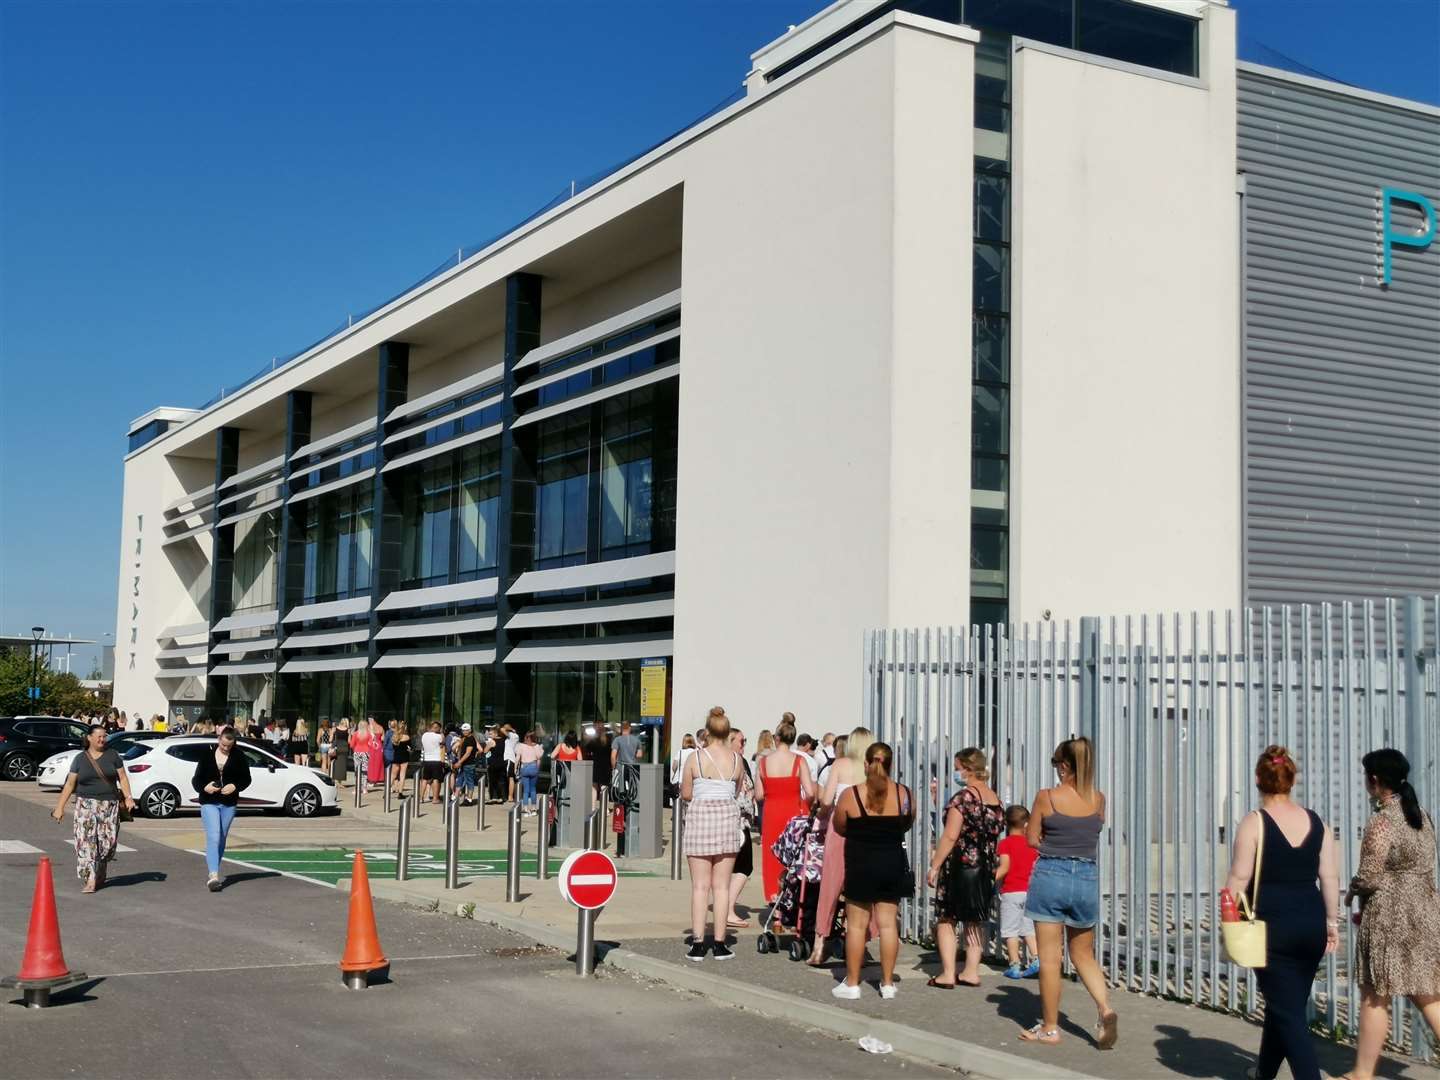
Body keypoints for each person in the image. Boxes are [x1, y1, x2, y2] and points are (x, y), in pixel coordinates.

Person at [1222, 745, 1337, 1080]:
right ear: (1292, 779)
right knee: (1284, 1006)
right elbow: (1329, 877)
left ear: (1258, 779)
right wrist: (1332, 923)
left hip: (1272, 929)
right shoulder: (1318, 823)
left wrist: (1229, 919)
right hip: (1312, 924)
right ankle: (1264, 1073)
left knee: (1288, 1014)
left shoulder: (1254, 823)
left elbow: (1239, 878)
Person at [1338, 748, 1440, 1080]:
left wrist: (1352, 890)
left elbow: (1370, 875)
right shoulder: (1422, 815)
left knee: (1374, 995)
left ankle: (1361, 1074)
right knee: (1428, 995)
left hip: (1390, 916)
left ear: (1375, 780)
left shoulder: (1382, 821)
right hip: (1424, 911)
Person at [1020, 736, 1118, 1049]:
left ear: (1064, 766)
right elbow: (1094, 830)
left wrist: (1044, 836)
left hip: (1051, 874)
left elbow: (1032, 839)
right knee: (1083, 954)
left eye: (1057, 766)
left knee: (1050, 958)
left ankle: (1050, 1029)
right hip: (1086, 876)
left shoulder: (1046, 797)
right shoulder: (1099, 800)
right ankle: (1105, 1008)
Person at [830, 742, 912, 999]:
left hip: (860, 862)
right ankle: (887, 983)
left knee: (856, 925)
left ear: (866, 765)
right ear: (890, 765)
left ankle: (853, 983)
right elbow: (906, 823)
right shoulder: (904, 794)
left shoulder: (851, 796)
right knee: (888, 925)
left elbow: (840, 826)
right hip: (891, 862)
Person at [926, 747, 1004, 988]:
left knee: (947, 919)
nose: (955, 773)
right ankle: (971, 971)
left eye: (957, 768)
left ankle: (948, 973)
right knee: (974, 919)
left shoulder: (963, 798)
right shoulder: (995, 799)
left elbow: (950, 836)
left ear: (968, 769)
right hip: (984, 866)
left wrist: (935, 865)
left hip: (959, 865)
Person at [808, 725, 873, 968]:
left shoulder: (840, 765)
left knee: (831, 887)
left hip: (840, 828)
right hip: (866, 832)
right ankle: (859, 944)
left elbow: (826, 800)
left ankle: (819, 944)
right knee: (861, 890)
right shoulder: (872, 769)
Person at [681, 707, 743, 961]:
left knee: (699, 886)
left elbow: (686, 793)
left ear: (707, 732)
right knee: (721, 886)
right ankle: (719, 943)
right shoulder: (737, 760)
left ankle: (697, 943)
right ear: (728, 733)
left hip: (700, 821)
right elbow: (737, 791)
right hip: (727, 821)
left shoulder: (695, 758)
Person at [50, 724, 136, 892]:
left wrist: (128, 797)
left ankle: (101, 866)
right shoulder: (80, 759)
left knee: (107, 844)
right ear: (89, 738)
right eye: (98, 736)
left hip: (109, 805)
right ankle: (90, 879)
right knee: (86, 842)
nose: (102, 739)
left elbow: (123, 778)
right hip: (85, 805)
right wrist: (59, 807)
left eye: (104, 736)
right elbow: (69, 784)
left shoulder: (113, 756)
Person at [755, 715, 816, 905]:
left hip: (772, 811)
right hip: (794, 812)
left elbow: (758, 795)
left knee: (773, 856)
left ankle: (775, 896)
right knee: (795, 855)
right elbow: (810, 791)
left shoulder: (764, 762)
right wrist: (805, 805)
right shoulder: (799, 761)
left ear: (777, 738)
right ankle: (794, 897)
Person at [190, 726, 253, 891]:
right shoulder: (207, 754)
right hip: (209, 801)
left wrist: (235, 786)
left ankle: (214, 869)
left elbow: (246, 779)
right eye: (223, 745)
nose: (225, 748)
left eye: (229, 746)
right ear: (219, 739)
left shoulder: (238, 756)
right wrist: (205, 787)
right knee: (214, 835)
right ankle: (213, 876)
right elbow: (196, 779)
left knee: (222, 837)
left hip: (229, 803)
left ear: (233, 744)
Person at [994, 805, 1040, 978]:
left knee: (1010, 930)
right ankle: (1036, 959)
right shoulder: (1032, 844)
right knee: (1029, 928)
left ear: (1006, 823)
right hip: (1029, 891)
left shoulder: (1005, 844)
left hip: (1011, 892)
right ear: (1026, 824)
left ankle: (1014, 964)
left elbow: (1005, 867)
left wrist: (992, 878)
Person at [724, 727, 756, 929]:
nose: (744, 744)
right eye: (741, 741)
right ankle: (727, 909)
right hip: (736, 820)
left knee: (732, 866)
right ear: (731, 741)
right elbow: (739, 792)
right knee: (744, 865)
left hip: (733, 820)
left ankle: (725, 908)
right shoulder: (734, 762)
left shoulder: (735, 760)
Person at [514, 730, 544, 813]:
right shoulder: (537, 746)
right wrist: (537, 769)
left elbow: (517, 758)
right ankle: (534, 806)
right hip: (533, 767)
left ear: (526, 737)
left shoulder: (521, 746)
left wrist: (515, 768)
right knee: (533, 789)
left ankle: (526, 807)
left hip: (524, 767)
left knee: (526, 790)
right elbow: (538, 759)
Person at [419, 721, 444, 803]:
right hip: (436, 760)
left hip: (427, 760)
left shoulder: (424, 735)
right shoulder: (439, 736)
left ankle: (421, 797)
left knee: (425, 779)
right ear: (438, 728)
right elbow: (442, 744)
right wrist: (441, 734)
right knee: (436, 779)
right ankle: (435, 798)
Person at [390, 720, 412, 797]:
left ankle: (386, 792)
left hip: (396, 756)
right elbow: (410, 748)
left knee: (393, 775)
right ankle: (400, 793)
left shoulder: (394, 737)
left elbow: (393, 747)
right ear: (405, 728)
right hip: (404, 757)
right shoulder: (407, 737)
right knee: (402, 775)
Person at [349, 719, 372, 794]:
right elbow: (371, 744)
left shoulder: (355, 734)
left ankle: (357, 788)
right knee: (365, 771)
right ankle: (364, 788)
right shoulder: (368, 734)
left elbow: (352, 745)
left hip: (357, 752)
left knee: (357, 771)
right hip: (366, 752)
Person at [366, 718, 386, 789]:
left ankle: (371, 780)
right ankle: (376, 779)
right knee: (378, 763)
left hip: (371, 746)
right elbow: (383, 738)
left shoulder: (368, 727)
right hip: (379, 746)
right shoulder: (380, 727)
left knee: (370, 763)